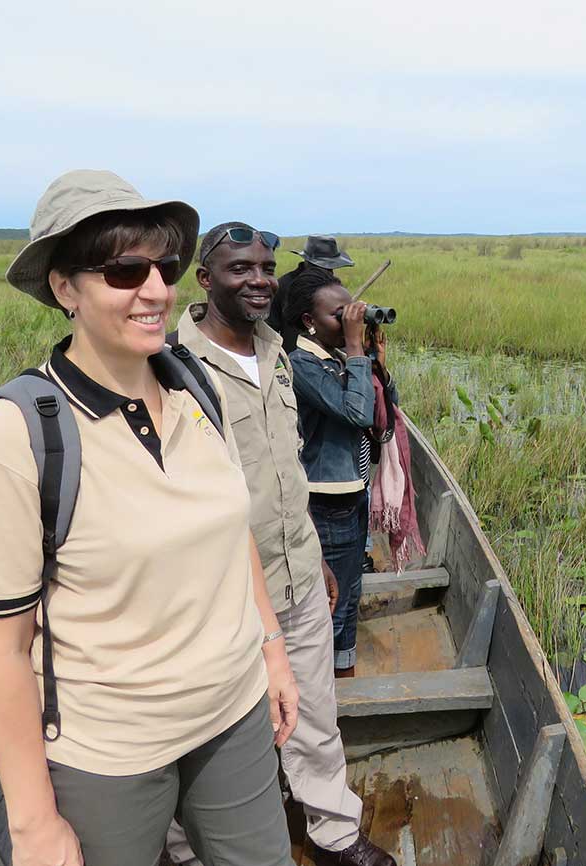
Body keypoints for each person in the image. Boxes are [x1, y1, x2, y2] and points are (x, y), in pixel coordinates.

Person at [0, 170, 297, 866]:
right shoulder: (19, 434)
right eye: (122, 270)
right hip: (108, 751)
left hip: (233, 715)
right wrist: (33, 823)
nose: (155, 291)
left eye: (164, 267)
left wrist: (273, 651)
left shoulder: (194, 384)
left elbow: (233, 537)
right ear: (64, 288)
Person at [167, 222, 397, 866]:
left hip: (298, 572)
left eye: (266, 267)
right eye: (240, 269)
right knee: (210, 729)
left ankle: (334, 831)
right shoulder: (172, 365)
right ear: (205, 280)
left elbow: (286, 474)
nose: (259, 279)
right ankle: (187, 849)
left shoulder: (278, 351)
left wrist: (316, 553)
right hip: (224, 592)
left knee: (318, 712)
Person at [283, 271, 396, 679]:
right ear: (309, 322)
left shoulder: (339, 360)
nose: (351, 320)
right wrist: (353, 348)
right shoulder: (303, 364)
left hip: (353, 490)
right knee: (332, 598)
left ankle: (342, 672)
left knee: (350, 591)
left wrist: (373, 363)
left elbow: (383, 416)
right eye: (340, 315)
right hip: (325, 500)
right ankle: (323, 683)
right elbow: (356, 413)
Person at [268, 235, 355, 341]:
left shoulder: (332, 286)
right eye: (321, 267)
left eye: (329, 267)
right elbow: (271, 326)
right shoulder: (284, 285)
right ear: (307, 262)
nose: (327, 272)